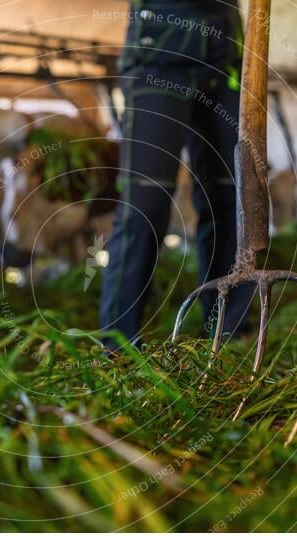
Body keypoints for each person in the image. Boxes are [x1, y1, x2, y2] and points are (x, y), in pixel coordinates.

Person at [99, 0, 254, 347]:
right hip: (159, 57)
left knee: (230, 196)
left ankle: (227, 328)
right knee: (147, 199)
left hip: (224, 59)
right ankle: (118, 343)